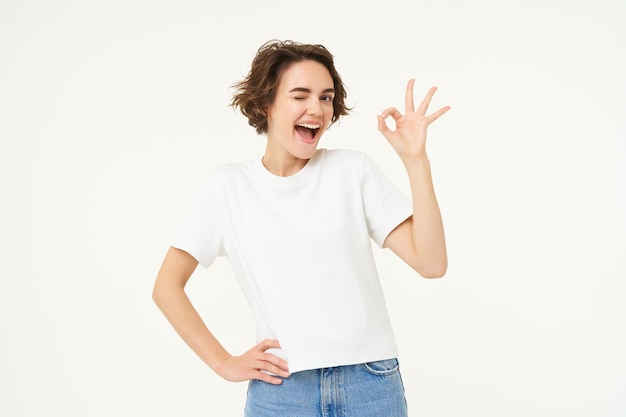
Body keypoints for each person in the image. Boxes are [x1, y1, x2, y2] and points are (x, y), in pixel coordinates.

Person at [152, 39, 449, 417]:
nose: (317, 109)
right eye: (300, 96)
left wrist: (416, 160)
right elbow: (166, 287)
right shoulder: (228, 187)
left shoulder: (352, 171)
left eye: (326, 97)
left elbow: (432, 263)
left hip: (370, 383)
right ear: (265, 105)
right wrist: (223, 362)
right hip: (281, 391)